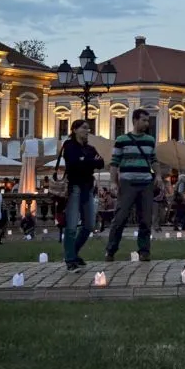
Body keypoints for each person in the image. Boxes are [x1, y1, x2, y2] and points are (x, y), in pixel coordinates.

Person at [104, 109, 160, 262]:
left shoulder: (150, 140)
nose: (147, 124)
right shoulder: (122, 140)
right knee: (120, 217)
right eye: (144, 120)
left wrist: (159, 176)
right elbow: (114, 162)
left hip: (146, 182)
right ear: (135, 120)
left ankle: (144, 251)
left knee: (145, 219)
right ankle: (110, 250)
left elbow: (154, 160)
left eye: (148, 121)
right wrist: (113, 182)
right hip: (127, 182)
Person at [56, 120, 105, 271]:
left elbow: (101, 163)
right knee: (71, 226)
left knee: (89, 225)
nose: (87, 130)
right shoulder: (69, 146)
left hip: (88, 188)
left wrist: (85, 161)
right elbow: (73, 164)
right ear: (75, 130)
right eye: (84, 128)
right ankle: (70, 259)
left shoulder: (90, 148)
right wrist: (90, 162)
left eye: (88, 128)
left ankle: (73, 253)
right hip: (74, 188)